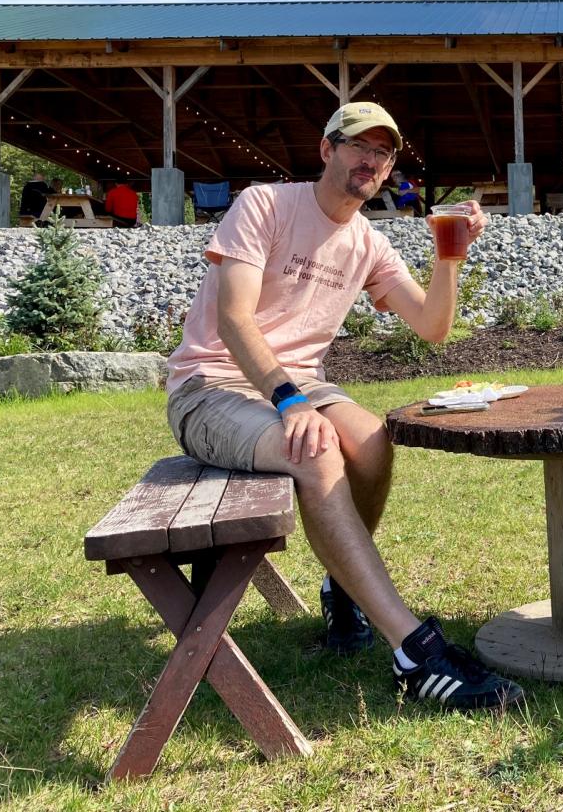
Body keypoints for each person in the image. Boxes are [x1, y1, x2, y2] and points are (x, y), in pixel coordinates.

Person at [163, 101, 524, 710]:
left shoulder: (369, 243)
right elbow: (233, 319)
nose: (371, 160)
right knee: (318, 446)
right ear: (328, 150)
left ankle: (343, 585)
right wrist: (288, 399)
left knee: (375, 438)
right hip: (213, 385)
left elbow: (433, 326)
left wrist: (450, 258)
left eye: (383, 153)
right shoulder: (266, 204)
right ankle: (415, 652)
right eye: (359, 145)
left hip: (299, 387)